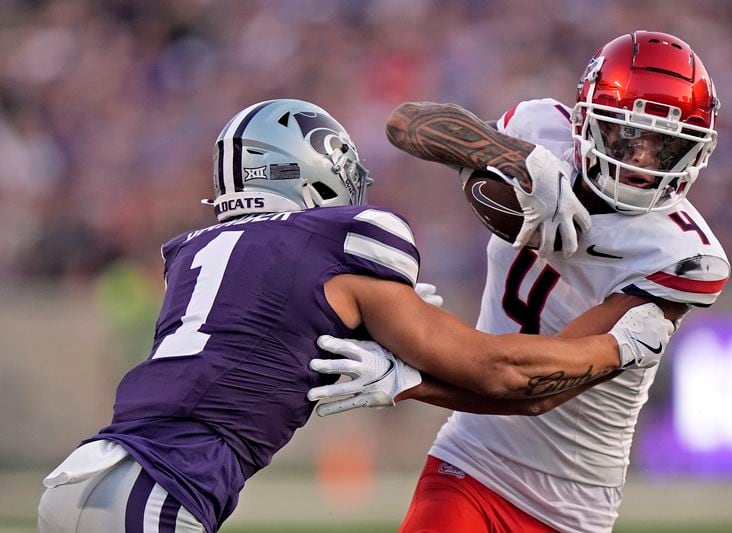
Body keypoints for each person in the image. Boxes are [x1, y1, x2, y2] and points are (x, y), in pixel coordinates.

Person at [37, 98, 673, 532]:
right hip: (159, 490)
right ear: (308, 168)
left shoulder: (196, 250)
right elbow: (498, 372)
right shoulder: (342, 237)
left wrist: (392, 355)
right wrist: (615, 349)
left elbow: (265, 348)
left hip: (90, 472)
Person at [321, 31, 730, 532]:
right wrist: (516, 156)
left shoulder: (686, 254)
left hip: (573, 504)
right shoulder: (542, 130)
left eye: (664, 146)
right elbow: (404, 122)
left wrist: (411, 380)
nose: (641, 159)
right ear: (586, 120)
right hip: (473, 460)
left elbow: (536, 390)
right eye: (628, 135)